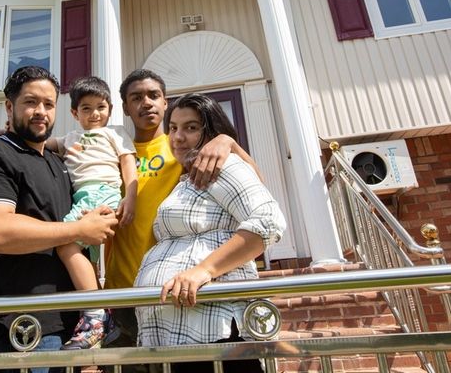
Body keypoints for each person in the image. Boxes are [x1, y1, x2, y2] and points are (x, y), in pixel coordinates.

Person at [0, 66, 118, 373]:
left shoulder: (59, 163)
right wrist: (79, 228)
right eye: (31, 102)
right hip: (21, 330)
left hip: (75, 331)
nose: (40, 111)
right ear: (10, 107)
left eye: (48, 104)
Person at [102, 70, 261, 368]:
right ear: (125, 108)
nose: (146, 103)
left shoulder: (181, 145)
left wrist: (227, 141)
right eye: (136, 98)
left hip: (178, 292)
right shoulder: (114, 151)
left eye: (154, 96)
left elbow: (254, 185)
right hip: (124, 290)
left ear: (165, 102)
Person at [134, 93, 286, 373]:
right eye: (173, 128)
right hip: (179, 336)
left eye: (191, 127)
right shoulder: (190, 178)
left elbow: (269, 220)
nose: (178, 137)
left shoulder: (222, 166)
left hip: (212, 334)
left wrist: (203, 270)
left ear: (211, 131)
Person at [46, 76, 137, 350]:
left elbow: (128, 164)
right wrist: (8, 131)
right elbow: (46, 144)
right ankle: (100, 317)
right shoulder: (70, 139)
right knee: (89, 259)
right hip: (81, 198)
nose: (95, 114)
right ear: (74, 113)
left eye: (101, 107)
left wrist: (130, 197)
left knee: (65, 243)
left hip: (102, 194)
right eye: (86, 108)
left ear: (109, 109)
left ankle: (94, 314)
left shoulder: (115, 133)